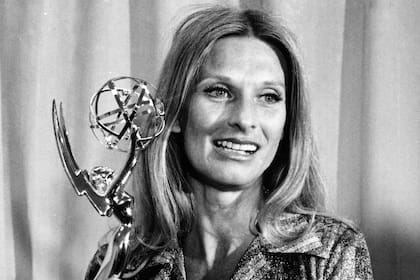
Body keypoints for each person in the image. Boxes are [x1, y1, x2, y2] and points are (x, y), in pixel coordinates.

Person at [85, 5, 373, 280]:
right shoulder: (122, 261)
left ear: (288, 123)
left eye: (269, 97)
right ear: (174, 115)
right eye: (219, 91)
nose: (245, 119)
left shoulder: (331, 251)